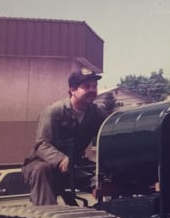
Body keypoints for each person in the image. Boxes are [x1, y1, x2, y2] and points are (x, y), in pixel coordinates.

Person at [22, 68, 108, 205]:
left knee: (105, 175)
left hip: (74, 165)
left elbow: (108, 137)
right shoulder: (54, 111)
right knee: (42, 170)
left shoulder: (97, 113)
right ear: (72, 90)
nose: (92, 90)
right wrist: (60, 159)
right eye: (86, 87)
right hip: (43, 162)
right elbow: (41, 144)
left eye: (94, 86)